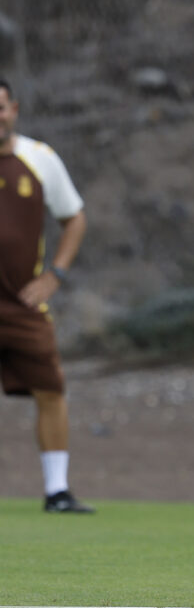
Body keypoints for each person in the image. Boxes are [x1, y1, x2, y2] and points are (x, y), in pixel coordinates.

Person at [0, 78, 93, 513]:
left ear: (13, 108)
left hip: (21, 303)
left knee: (51, 389)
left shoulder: (39, 159)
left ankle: (57, 491)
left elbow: (74, 218)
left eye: (0, 107)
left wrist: (54, 275)